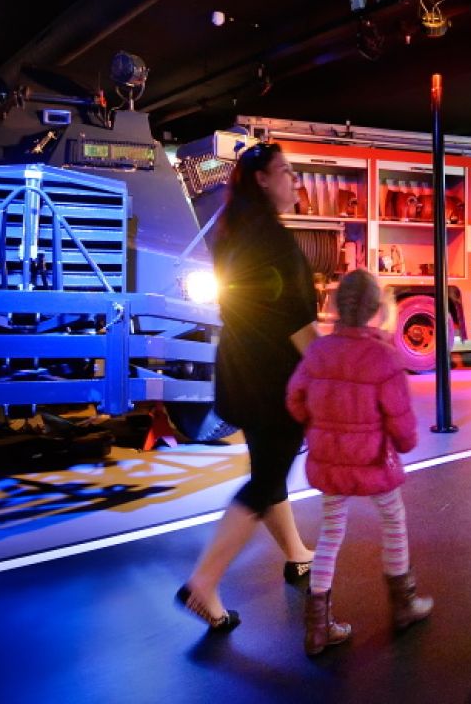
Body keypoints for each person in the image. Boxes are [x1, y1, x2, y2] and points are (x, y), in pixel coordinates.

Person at [176, 142, 318, 632]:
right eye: (286, 171)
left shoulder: (235, 234)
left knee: (268, 467)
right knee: (264, 480)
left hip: (239, 370)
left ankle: (298, 552)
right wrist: (330, 374)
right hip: (274, 382)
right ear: (262, 179)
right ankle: (204, 582)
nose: (294, 179)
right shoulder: (275, 243)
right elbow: (299, 326)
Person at [286, 270, 433, 657]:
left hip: (330, 462)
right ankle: (404, 605)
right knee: (393, 522)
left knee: (330, 534)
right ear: (377, 309)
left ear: (335, 307)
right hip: (373, 463)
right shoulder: (384, 356)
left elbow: (295, 399)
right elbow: (401, 421)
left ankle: (318, 627)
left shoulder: (318, 351)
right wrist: (405, 443)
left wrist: (320, 425)